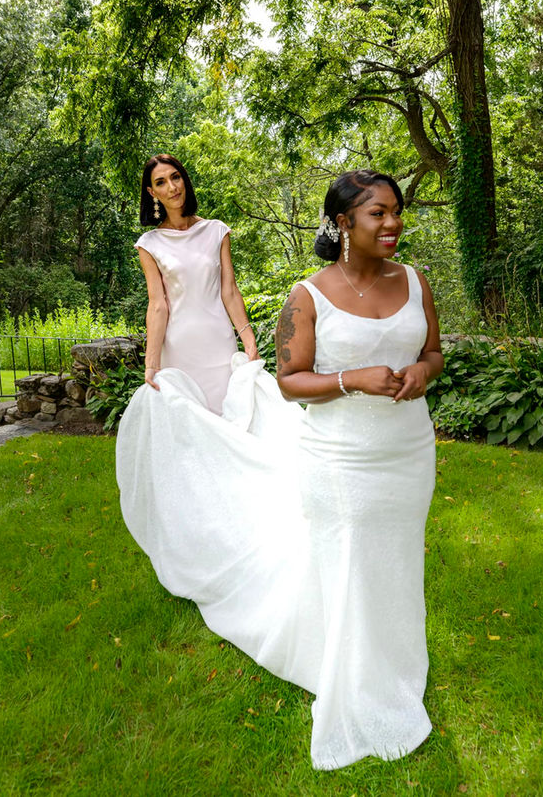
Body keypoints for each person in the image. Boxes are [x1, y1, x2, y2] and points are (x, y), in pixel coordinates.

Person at [115, 168, 443, 772]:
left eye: (396, 211)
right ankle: (346, 665)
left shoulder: (417, 282)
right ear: (343, 223)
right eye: (378, 213)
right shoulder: (307, 295)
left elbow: (432, 351)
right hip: (339, 458)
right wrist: (351, 380)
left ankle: (392, 653)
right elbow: (290, 383)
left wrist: (423, 373)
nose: (394, 223)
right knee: (344, 556)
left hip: (408, 452)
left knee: (394, 556)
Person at [135, 153, 258, 412]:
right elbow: (158, 305)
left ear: (184, 180)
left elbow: (230, 292)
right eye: (161, 182)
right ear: (152, 192)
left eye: (175, 177)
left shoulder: (216, 231)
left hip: (219, 343)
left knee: (229, 418)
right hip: (178, 348)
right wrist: (152, 363)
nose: (172, 187)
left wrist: (248, 339)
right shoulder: (149, 244)